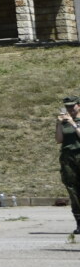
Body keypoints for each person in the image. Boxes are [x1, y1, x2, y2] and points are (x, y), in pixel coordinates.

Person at [58, 101, 80, 241]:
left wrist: (73, 123)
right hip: (68, 157)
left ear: (79, 105)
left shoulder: (74, 121)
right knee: (72, 190)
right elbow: (59, 139)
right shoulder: (64, 122)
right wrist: (59, 124)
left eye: (72, 106)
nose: (70, 109)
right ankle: (79, 222)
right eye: (67, 107)